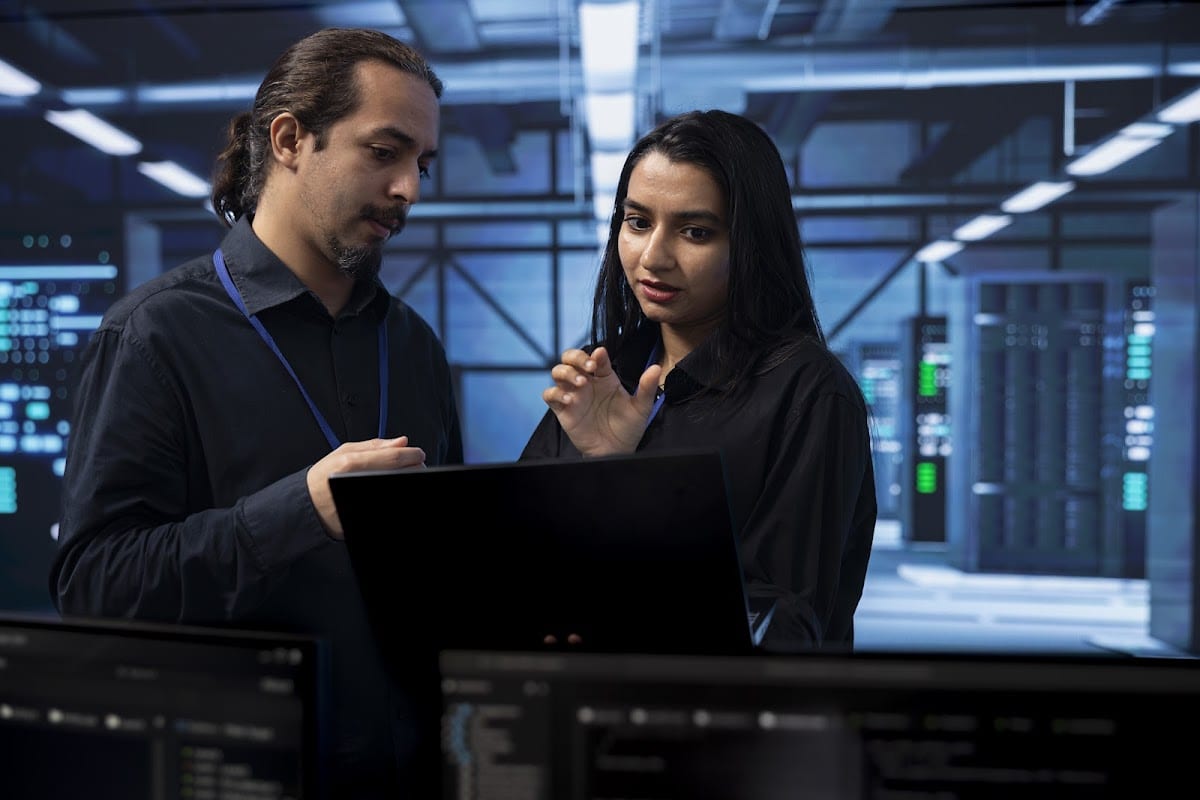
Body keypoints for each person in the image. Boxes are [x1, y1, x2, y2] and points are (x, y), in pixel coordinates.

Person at [48, 27, 461, 797]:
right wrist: (297, 511)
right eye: (384, 152)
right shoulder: (156, 333)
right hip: (241, 774)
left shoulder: (412, 345)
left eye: (422, 164)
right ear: (290, 139)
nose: (409, 187)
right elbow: (95, 585)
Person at [521, 109, 877, 651]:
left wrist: (627, 479)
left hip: (723, 724)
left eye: (695, 231)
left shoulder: (808, 394)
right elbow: (521, 565)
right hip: (579, 714)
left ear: (752, 245)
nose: (653, 257)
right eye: (637, 222)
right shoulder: (604, 373)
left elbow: (780, 625)